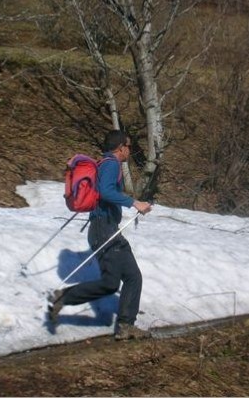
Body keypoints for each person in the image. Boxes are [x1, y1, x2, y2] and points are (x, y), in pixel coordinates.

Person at [49, 130, 152, 340]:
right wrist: (135, 203)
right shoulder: (111, 164)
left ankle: (62, 298)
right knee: (133, 277)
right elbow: (105, 191)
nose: (130, 151)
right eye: (129, 146)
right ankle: (125, 326)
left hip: (102, 229)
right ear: (121, 147)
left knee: (111, 283)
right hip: (105, 230)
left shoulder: (104, 163)